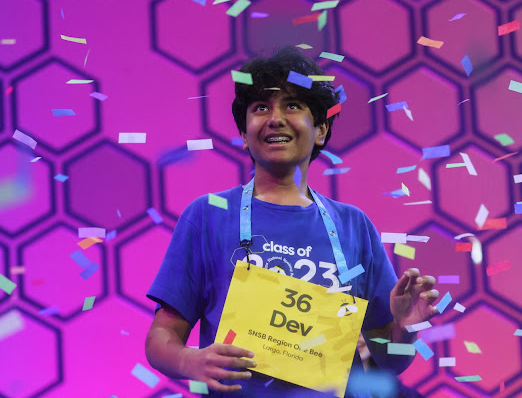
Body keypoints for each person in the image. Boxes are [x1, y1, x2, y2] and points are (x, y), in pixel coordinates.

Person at [145, 46, 440, 397]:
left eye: (293, 105)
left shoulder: (354, 226)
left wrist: (405, 330)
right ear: (244, 135)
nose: (275, 118)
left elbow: (391, 361)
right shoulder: (208, 215)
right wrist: (189, 361)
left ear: (321, 130)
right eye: (260, 107)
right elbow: (161, 337)